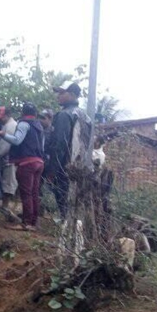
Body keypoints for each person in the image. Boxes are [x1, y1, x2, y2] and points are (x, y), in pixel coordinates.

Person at [0, 102, 44, 230]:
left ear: (22, 113)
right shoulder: (39, 125)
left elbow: (17, 140)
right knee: (34, 193)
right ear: (35, 113)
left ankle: (26, 223)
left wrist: (1, 134)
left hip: (27, 162)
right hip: (39, 162)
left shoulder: (23, 123)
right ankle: (34, 222)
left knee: (26, 193)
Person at [45, 81, 92, 219]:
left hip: (64, 168)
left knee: (64, 203)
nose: (58, 96)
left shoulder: (64, 115)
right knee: (76, 204)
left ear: (72, 95)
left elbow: (59, 145)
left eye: (61, 93)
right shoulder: (86, 117)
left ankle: (66, 232)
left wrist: (52, 171)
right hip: (81, 167)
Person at [0, 106, 18, 210]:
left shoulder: (10, 126)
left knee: (8, 185)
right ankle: (7, 207)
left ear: (6, 115)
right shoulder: (7, 125)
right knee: (8, 184)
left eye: (0, 117)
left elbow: (4, 147)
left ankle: (6, 208)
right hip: (8, 160)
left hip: (9, 160)